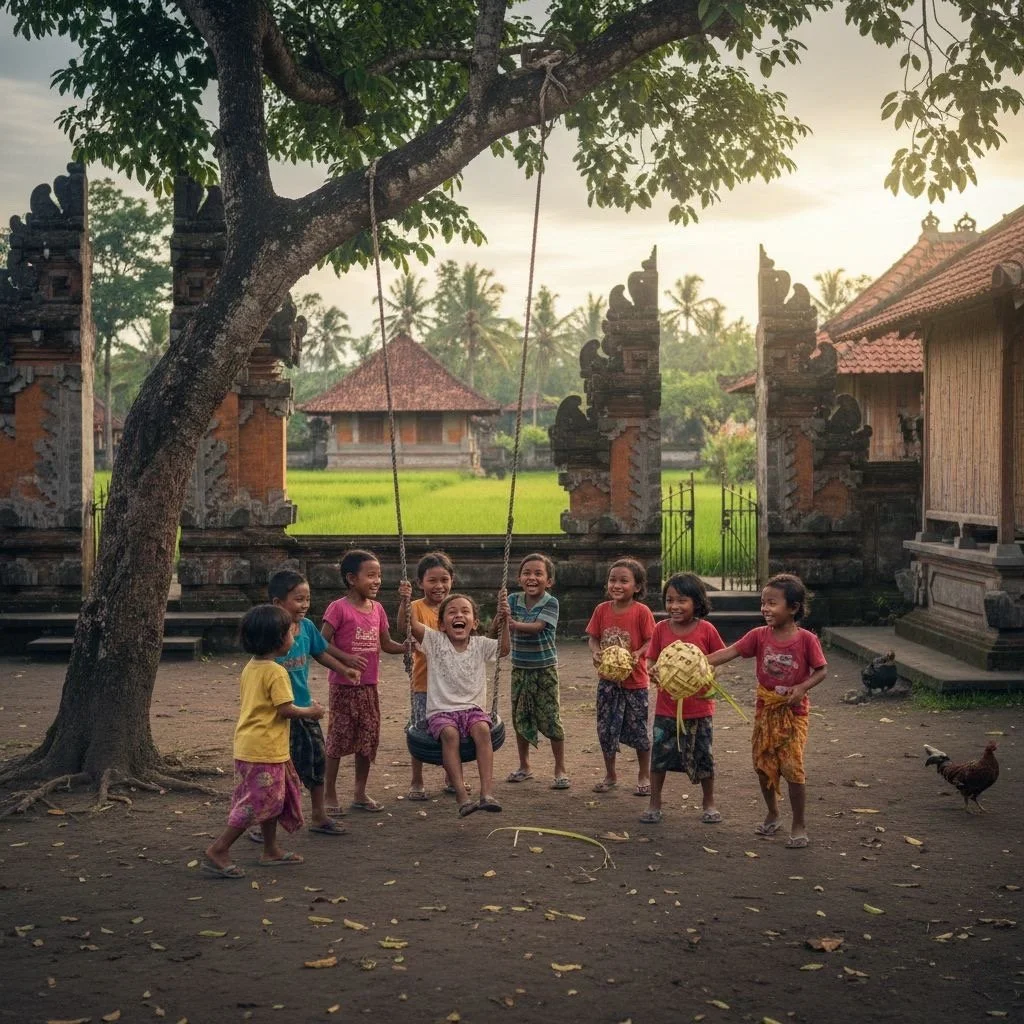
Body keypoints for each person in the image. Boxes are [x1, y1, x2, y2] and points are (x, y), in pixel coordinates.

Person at [201, 604, 323, 878]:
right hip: (263, 748)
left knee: (272, 799)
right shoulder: (276, 672)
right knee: (255, 801)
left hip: (256, 745)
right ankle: (219, 849)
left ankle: (271, 849)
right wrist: (312, 712)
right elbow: (286, 709)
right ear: (279, 639)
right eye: (290, 632)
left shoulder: (252, 667)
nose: (294, 636)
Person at [707, 573, 827, 849]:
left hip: (793, 714)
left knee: (792, 767)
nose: (765, 608)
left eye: (772, 603)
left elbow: (821, 670)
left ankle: (799, 824)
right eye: (763, 602)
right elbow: (730, 652)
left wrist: (802, 688)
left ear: (794, 607)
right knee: (763, 766)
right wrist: (693, 660)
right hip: (765, 711)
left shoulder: (806, 639)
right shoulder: (759, 636)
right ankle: (773, 813)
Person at [246, 569, 361, 843]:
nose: (305, 604)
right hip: (277, 717)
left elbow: (319, 652)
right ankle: (260, 823)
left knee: (317, 761)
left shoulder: (307, 627)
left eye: (307, 598)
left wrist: (344, 669)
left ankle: (319, 815)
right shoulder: (269, 636)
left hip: (305, 709)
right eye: (298, 599)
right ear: (277, 603)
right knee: (276, 773)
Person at [399, 585, 510, 817]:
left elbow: (504, 650)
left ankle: (487, 793)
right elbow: (407, 625)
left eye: (465, 612)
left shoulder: (480, 645)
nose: (459, 615)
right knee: (449, 735)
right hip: (441, 712)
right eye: (451, 612)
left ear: (475, 623)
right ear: (441, 624)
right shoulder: (435, 641)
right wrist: (404, 602)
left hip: (473, 710)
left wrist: (505, 621)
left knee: (482, 729)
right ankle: (462, 796)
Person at [321, 549, 407, 813]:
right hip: (343, 687)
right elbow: (321, 642)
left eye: (379, 576)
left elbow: (386, 644)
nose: (377, 581)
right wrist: (345, 659)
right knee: (337, 739)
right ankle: (329, 793)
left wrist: (407, 647)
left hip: (370, 686)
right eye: (370, 575)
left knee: (368, 739)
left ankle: (359, 792)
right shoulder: (339, 608)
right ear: (351, 578)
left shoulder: (378, 609)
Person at [643, 573, 725, 825]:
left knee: (703, 757)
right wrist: (652, 671)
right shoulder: (660, 629)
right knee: (659, 758)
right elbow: (651, 659)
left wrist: (707, 674)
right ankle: (654, 802)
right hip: (666, 709)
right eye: (669, 600)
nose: (674, 606)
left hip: (699, 709)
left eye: (682, 600)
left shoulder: (706, 630)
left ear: (697, 602)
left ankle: (709, 802)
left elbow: (719, 659)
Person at [586, 557, 656, 797]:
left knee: (639, 731)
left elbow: (651, 640)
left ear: (637, 587)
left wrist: (637, 654)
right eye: (612, 580)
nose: (616, 585)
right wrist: (596, 652)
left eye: (624, 581)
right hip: (607, 681)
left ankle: (644, 774)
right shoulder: (601, 610)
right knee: (606, 728)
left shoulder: (642, 612)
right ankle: (610, 774)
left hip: (635, 683)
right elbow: (593, 637)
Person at [405, 550, 466, 800]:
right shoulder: (415, 608)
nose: (439, 586)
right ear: (420, 583)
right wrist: (403, 602)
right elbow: (405, 627)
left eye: (444, 580)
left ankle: (452, 777)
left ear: (451, 580)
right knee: (420, 730)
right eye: (432, 580)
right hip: (424, 682)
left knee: (454, 730)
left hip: (453, 685)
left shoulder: (457, 609)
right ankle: (417, 780)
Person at [505, 553, 568, 789]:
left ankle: (560, 768)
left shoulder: (551, 602)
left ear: (548, 581)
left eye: (538, 573)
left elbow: (537, 627)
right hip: (520, 668)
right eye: (527, 573)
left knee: (551, 718)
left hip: (544, 669)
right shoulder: (512, 600)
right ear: (520, 578)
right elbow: (499, 626)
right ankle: (525, 766)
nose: (532, 577)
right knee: (520, 718)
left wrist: (512, 624)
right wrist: (502, 612)